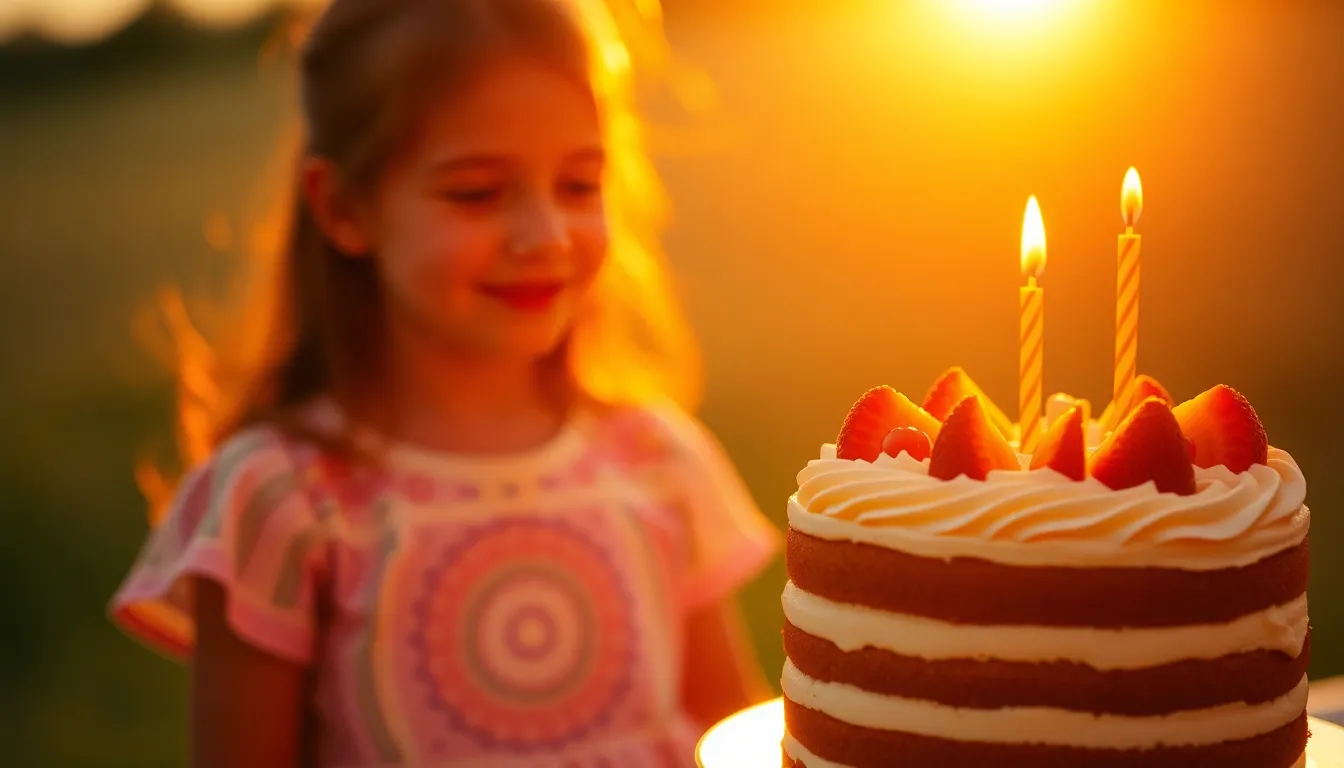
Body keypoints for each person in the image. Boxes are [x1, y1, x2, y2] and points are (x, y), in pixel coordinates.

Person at [108, 0, 780, 765]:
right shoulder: (281, 498)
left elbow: (737, 736)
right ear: (344, 208)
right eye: (477, 193)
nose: (545, 235)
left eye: (579, 184)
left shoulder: (657, 461)